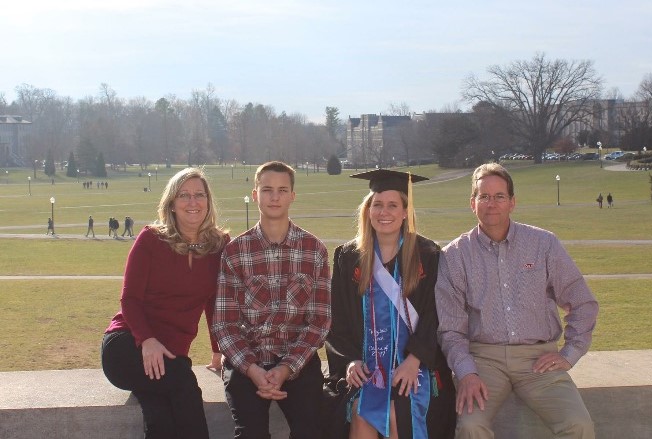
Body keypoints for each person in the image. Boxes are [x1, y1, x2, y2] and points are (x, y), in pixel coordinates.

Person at [436, 163, 598, 439]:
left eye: (499, 196)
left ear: (512, 202)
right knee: (470, 426)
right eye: (484, 196)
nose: (491, 204)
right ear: (472, 203)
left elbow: (582, 302)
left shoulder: (543, 244)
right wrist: (466, 373)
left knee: (578, 425)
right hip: (483, 361)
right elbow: (450, 329)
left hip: (538, 359)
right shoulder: (454, 255)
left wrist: (568, 355)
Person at [325, 169, 456, 439]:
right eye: (377, 205)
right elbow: (336, 320)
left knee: (398, 413)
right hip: (366, 367)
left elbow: (435, 313)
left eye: (393, 205)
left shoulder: (427, 255)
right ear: (368, 210)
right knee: (362, 410)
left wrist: (415, 359)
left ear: (406, 212)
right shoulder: (348, 257)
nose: (384, 212)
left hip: (415, 365)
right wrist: (350, 362)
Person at [101, 167, 229, 439]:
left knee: (160, 414)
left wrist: (218, 350)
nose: (193, 202)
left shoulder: (219, 245)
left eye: (199, 195)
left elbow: (214, 304)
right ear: (171, 203)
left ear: (208, 201)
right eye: (184, 195)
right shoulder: (151, 239)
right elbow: (130, 299)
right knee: (184, 384)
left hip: (171, 353)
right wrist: (147, 340)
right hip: (129, 344)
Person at [211, 161, 331, 439]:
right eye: (267, 190)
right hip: (248, 360)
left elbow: (320, 321)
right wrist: (252, 369)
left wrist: (286, 367)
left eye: (282, 190)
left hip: (297, 360)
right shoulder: (235, 251)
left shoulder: (314, 250)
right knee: (250, 433)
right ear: (255, 195)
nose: (274, 197)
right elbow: (225, 325)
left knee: (312, 431)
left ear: (292, 196)